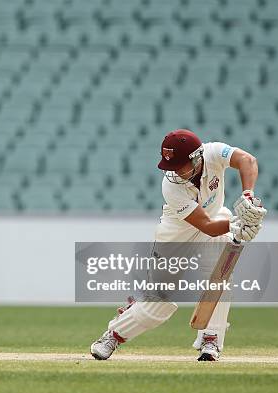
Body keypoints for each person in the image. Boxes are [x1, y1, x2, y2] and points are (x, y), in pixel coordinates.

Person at [90, 129, 267, 361]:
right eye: (170, 166)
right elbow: (205, 226)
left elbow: (247, 160)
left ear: (197, 157)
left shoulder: (213, 152)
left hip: (214, 219)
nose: (175, 171)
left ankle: (210, 339)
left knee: (219, 277)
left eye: (181, 165)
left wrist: (247, 196)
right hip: (176, 236)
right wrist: (236, 226)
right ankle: (113, 334)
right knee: (159, 304)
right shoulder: (171, 186)